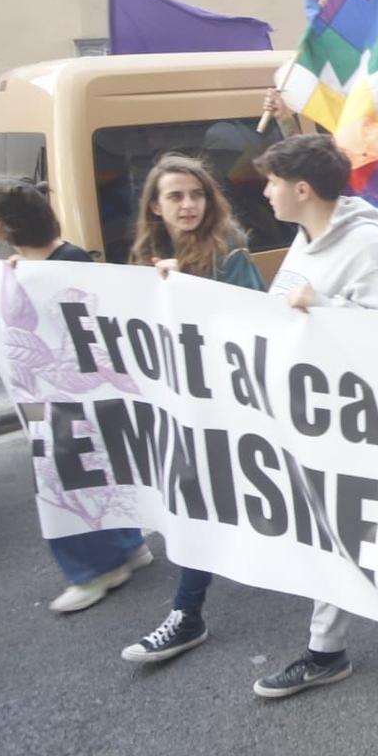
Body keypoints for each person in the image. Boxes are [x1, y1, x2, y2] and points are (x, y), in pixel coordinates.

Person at [251, 133, 378, 701]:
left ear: (302, 189)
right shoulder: (305, 241)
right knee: (347, 535)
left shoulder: (371, 248)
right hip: (315, 417)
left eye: (272, 183)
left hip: (364, 424)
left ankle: (327, 652)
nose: (266, 194)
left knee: (344, 535)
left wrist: (325, 309)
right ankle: (333, 647)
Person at [0, 178, 151, 613]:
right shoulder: (22, 266)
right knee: (96, 467)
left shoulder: (67, 264)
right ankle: (126, 546)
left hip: (73, 393)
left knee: (65, 475)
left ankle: (97, 570)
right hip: (65, 393)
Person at [118, 156, 266, 663]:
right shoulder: (144, 255)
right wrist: (11, 282)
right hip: (177, 403)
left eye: (196, 195)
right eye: (175, 196)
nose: (188, 205)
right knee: (204, 500)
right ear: (155, 208)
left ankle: (186, 614)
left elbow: (256, 324)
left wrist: (189, 291)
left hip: (225, 405)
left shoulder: (230, 253)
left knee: (201, 501)